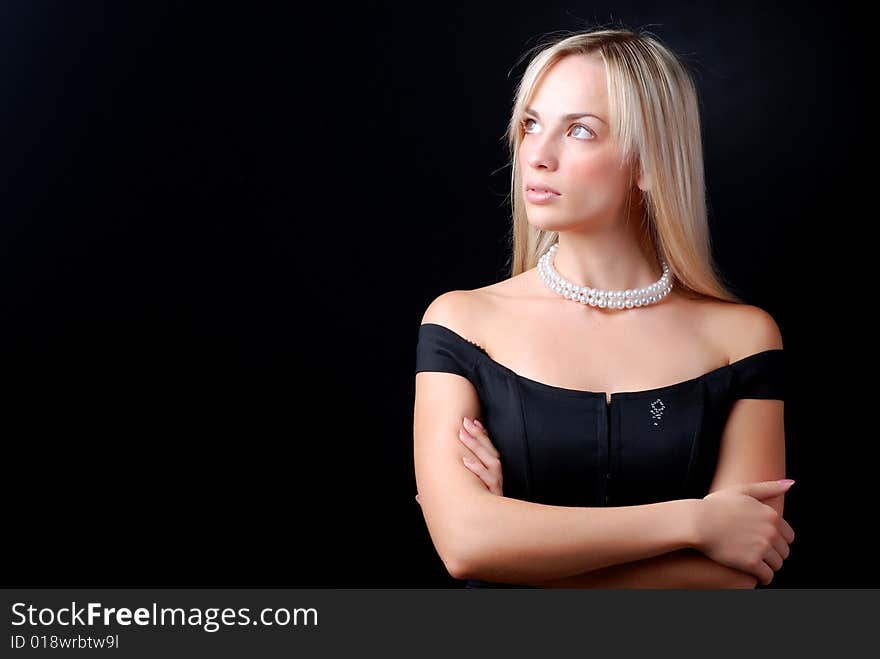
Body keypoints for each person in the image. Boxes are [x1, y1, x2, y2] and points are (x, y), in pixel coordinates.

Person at [412, 27, 794, 589]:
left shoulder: (744, 338)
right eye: (531, 124)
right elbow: (467, 544)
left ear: (648, 164)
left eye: (581, 131)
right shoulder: (461, 324)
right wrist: (692, 521)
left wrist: (518, 556)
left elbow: (733, 577)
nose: (536, 156)